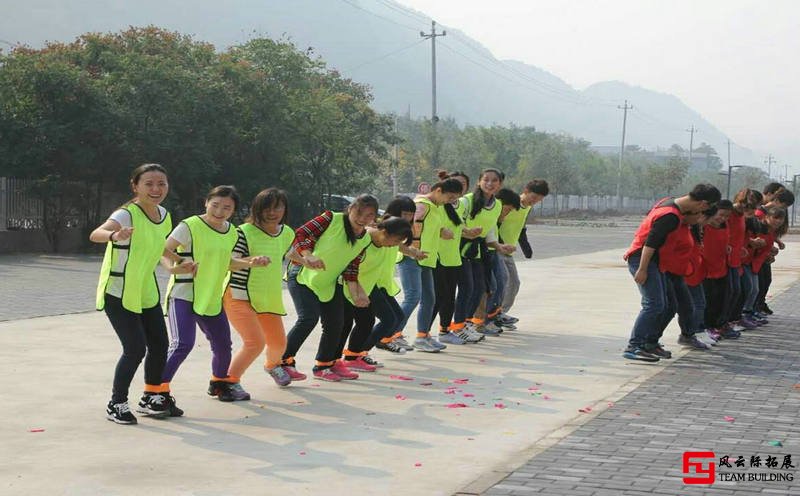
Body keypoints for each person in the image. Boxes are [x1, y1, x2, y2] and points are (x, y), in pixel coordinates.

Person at [91, 164, 185, 424]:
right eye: (149, 184)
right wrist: (114, 235)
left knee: (159, 345)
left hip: (146, 290)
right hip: (119, 291)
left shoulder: (164, 215)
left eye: (161, 184)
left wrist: (179, 262)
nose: (156, 189)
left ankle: (152, 397)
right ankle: (116, 403)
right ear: (135, 186)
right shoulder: (126, 214)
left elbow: (159, 246)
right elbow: (96, 234)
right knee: (134, 349)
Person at [161, 185, 268, 408]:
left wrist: (250, 262)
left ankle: (219, 383)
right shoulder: (189, 226)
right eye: (215, 205)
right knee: (183, 344)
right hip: (184, 294)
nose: (220, 211)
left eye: (226, 208)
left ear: (234, 209)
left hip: (211, 295)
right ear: (206, 203)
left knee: (222, 344)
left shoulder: (231, 232)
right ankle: (156, 391)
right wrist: (173, 268)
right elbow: (162, 249)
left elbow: (226, 262)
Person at [281, 195, 377, 381]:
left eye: (369, 215)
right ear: (350, 209)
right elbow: (299, 234)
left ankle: (324, 365)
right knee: (308, 318)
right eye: (359, 213)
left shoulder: (365, 239)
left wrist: (358, 294)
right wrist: (308, 254)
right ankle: (283, 361)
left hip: (328, 283)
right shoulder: (331, 218)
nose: (363, 219)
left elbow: (351, 267)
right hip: (302, 276)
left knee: (336, 323)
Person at [622, 184, 721, 362]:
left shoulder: (670, 204)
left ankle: (650, 343)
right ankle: (634, 346)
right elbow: (650, 243)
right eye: (707, 208)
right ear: (702, 204)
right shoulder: (670, 216)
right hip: (644, 259)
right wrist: (643, 269)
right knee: (654, 304)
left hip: (657, 263)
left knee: (669, 305)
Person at [223, 188, 295, 389]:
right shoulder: (243, 232)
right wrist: (251, 262)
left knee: (279, 344)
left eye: (277, 207)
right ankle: (228, 382)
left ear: (284, 209)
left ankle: (272, 366)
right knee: (255, 343)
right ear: (257, 209)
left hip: (267, 298)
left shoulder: (286, 232)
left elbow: (290, 253)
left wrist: (308, 261)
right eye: (267, 208)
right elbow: (229, 262)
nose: (272, 212)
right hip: (239, 296)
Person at [336, 216, 413, 371]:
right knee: (344, 325)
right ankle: (334, 361)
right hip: (348, 287)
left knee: (368, 322)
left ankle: (354, 356)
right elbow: (349, 268)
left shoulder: (382, 242)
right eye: (396, 241)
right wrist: (357, 292)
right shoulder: (364, 240)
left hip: (367, 288)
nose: (395, 246)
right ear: (384, 231)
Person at [396, 178, 463, 352]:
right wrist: (411, 250)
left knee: (430, 299)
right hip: (412, 258)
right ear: (438, 190)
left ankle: (422, 336)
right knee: (412, 297)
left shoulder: (436, 208)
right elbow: (407, 228)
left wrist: (442, 231)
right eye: (449, 197)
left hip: (427, 259)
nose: (450, 201)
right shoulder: (421, 205)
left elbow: (430, 228)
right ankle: (392, 334)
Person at [450, 168, 505, 337]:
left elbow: (489, 230)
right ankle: (457, 326)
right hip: (460, 248)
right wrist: (466, 231)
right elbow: (453, 221)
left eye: (494, 180)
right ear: (479, 182)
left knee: (480, 288)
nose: (490, 183)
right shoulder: (467, 201)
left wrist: (498, 246)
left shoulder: (497, 205)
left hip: (478, 250)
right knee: (467, 288)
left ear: (500, 184)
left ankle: (467, 323)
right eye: (486, 180)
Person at [434, 171, 484, 345]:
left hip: (454, 257)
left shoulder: (460, 206)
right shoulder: (438, 205)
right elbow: (431, 225)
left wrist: (469, 232)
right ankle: (423, 334)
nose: (460, 188)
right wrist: (440, 232)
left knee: (450, 296)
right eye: (456, 184)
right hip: (437, 257)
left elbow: (458, 226)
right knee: (436, 298)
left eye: (463, 185)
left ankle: (446, 329)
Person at [493, 180, 549, 328]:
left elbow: (521, 228)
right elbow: (495, 224)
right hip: (497, 248)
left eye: (539, 200)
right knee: (502, 282)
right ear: (526, 190)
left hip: (508, 251)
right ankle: (492, 314)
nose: (534, 201)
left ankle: (501, 313)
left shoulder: (527, 208)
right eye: (534, 197)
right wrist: (499, 243)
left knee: (514, 283)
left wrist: (526, 247)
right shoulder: (509, 203)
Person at [701, 200, 733, 341]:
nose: (723, 219)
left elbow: (725, 242)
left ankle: (717, 325)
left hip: (721, 268)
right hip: (705, 270)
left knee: (721, 299)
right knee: (708, 300)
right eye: (721, 215)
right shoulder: (703, 227)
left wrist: (728, 248)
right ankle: (707, 327)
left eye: (727, 216)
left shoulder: (725, 226)